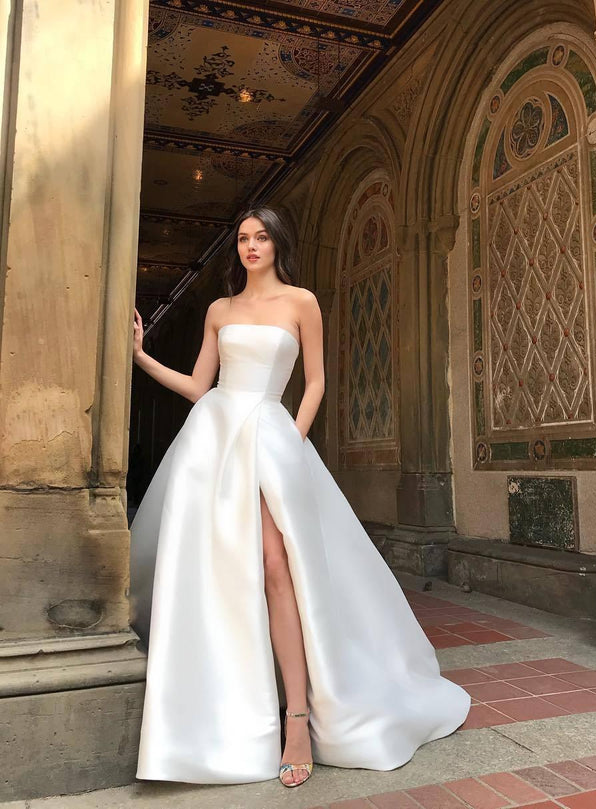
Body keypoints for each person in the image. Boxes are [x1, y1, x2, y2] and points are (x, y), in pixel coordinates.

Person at [128, 205, 470, 789]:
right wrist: (139, 354)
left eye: (261, 237)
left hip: (273, 440)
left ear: (278, 244)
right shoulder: (219, 309)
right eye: (242, 239)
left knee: (275, 565)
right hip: (215, 443)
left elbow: (314, 382)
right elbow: (197, 385)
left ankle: (297, 719)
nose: (250, 247)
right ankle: (222, 701)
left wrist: (289, 440)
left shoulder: (302, 302)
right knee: (219, 572)